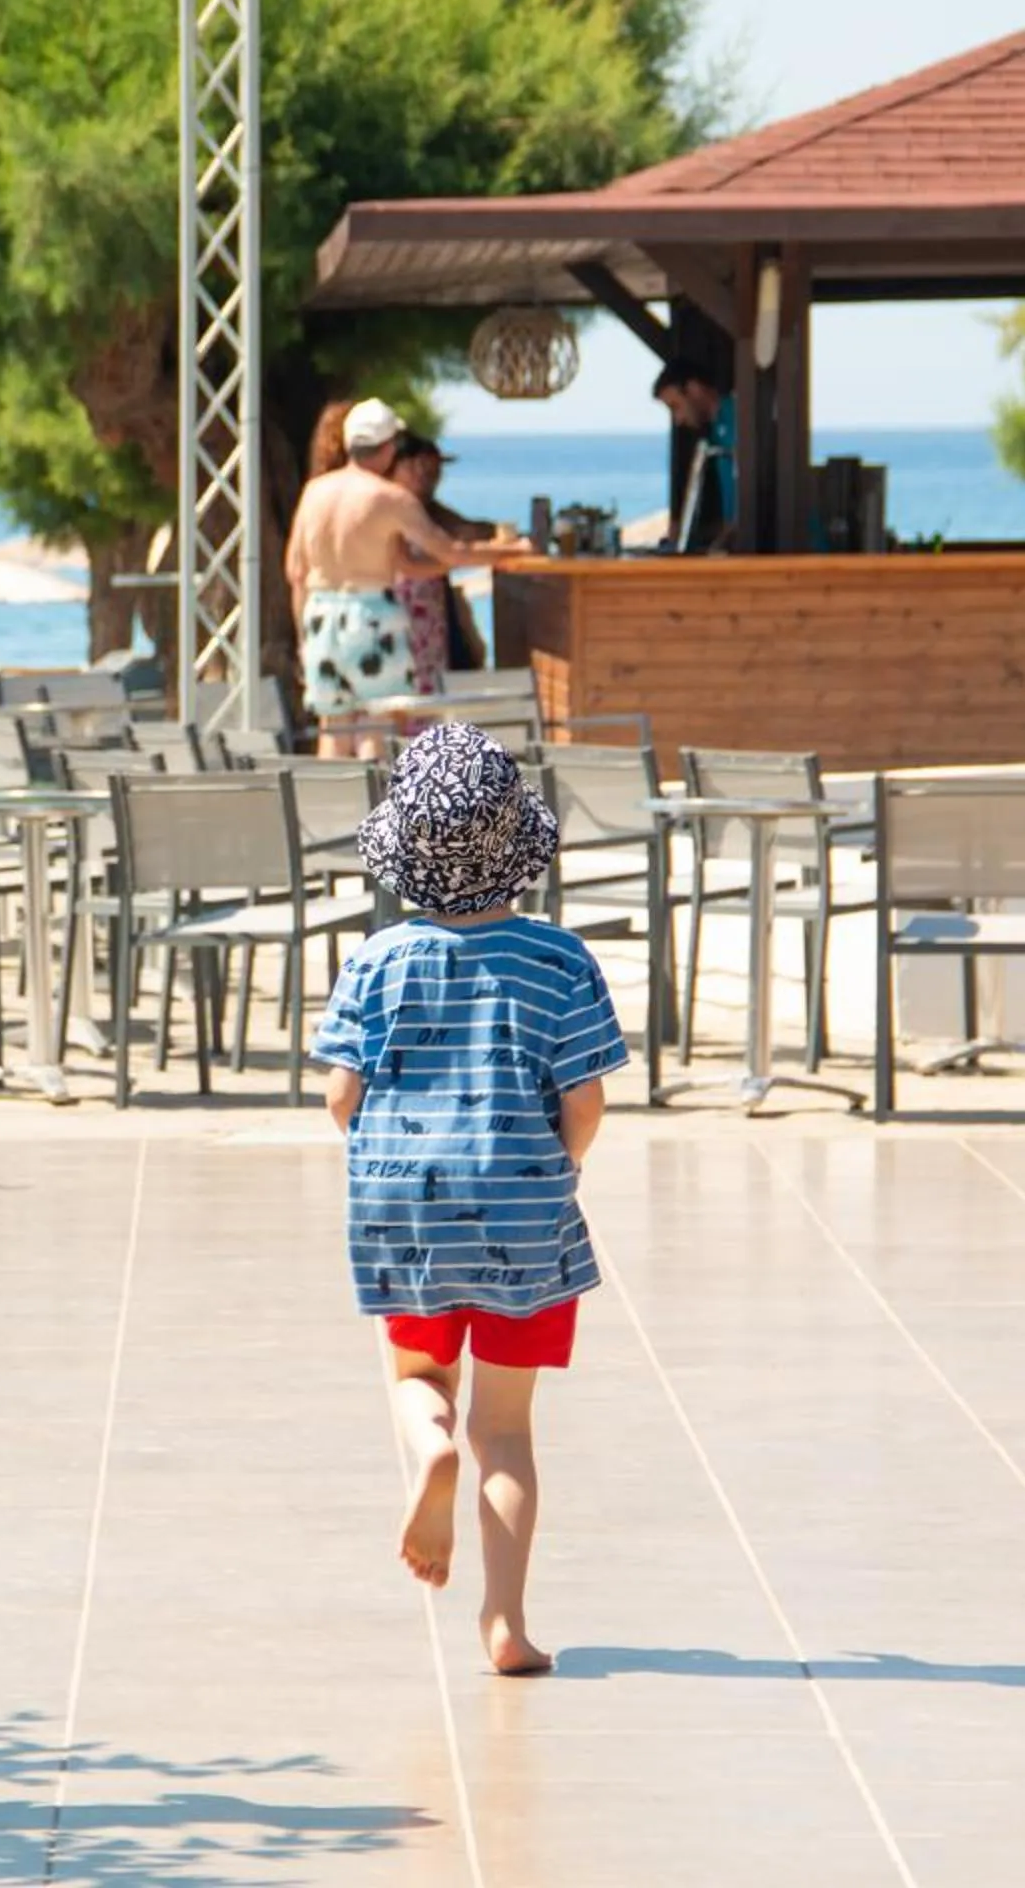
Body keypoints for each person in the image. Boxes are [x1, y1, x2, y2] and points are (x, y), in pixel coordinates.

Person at [309, 725, 627, 1677]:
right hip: (524, 1206)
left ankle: (430, 1449)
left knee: (419, 1380)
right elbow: (586, 1101)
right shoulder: (560, 960)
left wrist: (383, 1159)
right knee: (509, 1429)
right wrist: (558, 1168)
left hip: (405, 1203)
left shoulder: (376, 961)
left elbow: (339, 1095)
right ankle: (505, 1623)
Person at [284, 399, 525, 758]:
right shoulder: (389, 498)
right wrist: (508, 551)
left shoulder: (314, 492)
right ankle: (377, 795)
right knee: (377, 724)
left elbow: (296, 571)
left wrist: (303, 639)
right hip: (370, 616)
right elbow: (450, 551)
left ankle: (329, 797)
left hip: (321, 616)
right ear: (390, 446)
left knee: (333, 727)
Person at [388, 435, 497, 684]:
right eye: (425, 468)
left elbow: (463, 527)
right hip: (407, 608)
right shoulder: (401, 506)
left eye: (435, 470)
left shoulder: (426, 506)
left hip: (431, 605)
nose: (432, 477)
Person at [653, 358, 736, 551]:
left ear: (694, 389)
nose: (678, 419)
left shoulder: (737, 419)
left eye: (675, 406)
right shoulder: (715, 432)